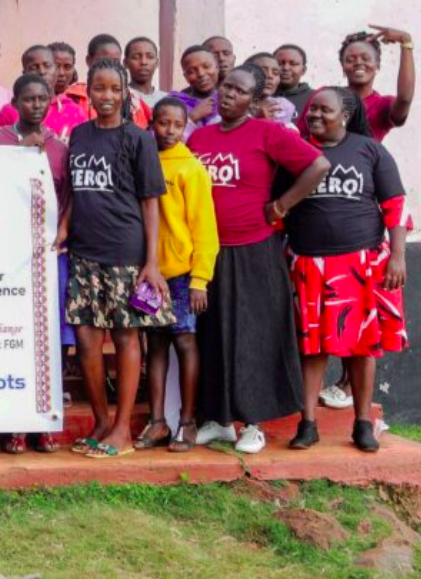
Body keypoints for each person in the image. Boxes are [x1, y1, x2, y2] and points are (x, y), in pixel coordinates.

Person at [186, 64, 331, 454]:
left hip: (255, 249)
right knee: (213, 335)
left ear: (253, 100)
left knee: (253, 336)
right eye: (225, 87)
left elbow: (318, 165)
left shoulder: (268, 133)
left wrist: (282, 205)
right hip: (209, 252)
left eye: (239, 90)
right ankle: (218, 420)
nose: (228, 94)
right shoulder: (200, 137)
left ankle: (253, 423)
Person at [60, 59, 172, 459]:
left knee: (126, 337)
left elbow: (150, 201)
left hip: (125, 252)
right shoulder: (80, 135)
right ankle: (101, 422)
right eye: (99, 88)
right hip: (84, 252)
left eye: (114, 89)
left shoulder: (138, 138)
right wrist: (64, 226)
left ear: (125, 94)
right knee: (88, 341)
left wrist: (152, 261)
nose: (107, 96)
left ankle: (123, 428)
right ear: (87, 91)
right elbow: (76, 190)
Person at [287, 87, 407, 452]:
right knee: (312, 347)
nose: (315, 116)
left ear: (345, 114)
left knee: (362, 346)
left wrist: (398, 256)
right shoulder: (295, 150)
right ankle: (308, 424)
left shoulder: (369, 149)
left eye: (325, 110)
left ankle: (362, 424)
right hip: (308, 261)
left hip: (361, 263)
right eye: (312, 110)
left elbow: (395, 204)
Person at [0, 74, 73, 455]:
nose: (35, 106)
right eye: (28, 99)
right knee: (12, 336)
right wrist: (22, 148)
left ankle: (43, 423)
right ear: (15, 102)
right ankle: (14, 424)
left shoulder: (60, 148)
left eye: (42, 99)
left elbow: (67, 196)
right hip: (7, 253)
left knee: (48, 337)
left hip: (48, 253)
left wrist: (63, 230)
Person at [138, 97, 218, 453]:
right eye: (162, 123)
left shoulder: (191, 168)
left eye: (177, 124)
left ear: (185, 126)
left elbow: (205, 228)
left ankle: (187, 422)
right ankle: (157, 422)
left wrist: (201, 278)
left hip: (183, 274)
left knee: (185, 342)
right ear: (152, 123)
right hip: (148, 272)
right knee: (154, 344)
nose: (169, 131)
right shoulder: (143, 160)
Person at [0, 45, 88, 140]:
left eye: (47, 66)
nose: (42, 72)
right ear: (25, 73)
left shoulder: (76, 112)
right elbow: (0, 147)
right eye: (34, 67)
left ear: (55, 70)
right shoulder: (9, 111)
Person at [337, 27, 413, 142]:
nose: (358, 62)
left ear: (377, 65)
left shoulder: (381, 106)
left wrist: (405, 42)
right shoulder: (327, 96)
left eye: (366, 58)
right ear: (343, 67)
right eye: (350, 59)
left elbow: (404, 99)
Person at [66, 34, 155, 129]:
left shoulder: (133, 100)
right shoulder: (74, 96)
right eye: (104, 61)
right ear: (89, 61)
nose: (110, 67)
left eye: (115, 62)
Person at [175, 46, 221, 133]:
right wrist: (194, 116)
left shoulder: (229, 100)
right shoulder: (175, 105)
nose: (201, 74)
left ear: (217, 67)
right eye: (192, 71)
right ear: (186, 77)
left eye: (206, 66)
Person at [244, 52, 298, 125]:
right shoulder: (232, 102)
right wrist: (257, 120)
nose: (270, 76)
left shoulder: (281, 108)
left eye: (275, 73)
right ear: (245, 73)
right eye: (263, 71)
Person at [274, 44, 315, 123]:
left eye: (293, 64)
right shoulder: (261, 96)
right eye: (280, 63)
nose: (286, 68)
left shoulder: (314, 99)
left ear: (303, 70)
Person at [126, 37, 165, 108]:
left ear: (157, 63)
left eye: (150, 57)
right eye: (136, 57)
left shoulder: (166, 99)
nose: (143, 62)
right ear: (125, 63)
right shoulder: (120, 97)